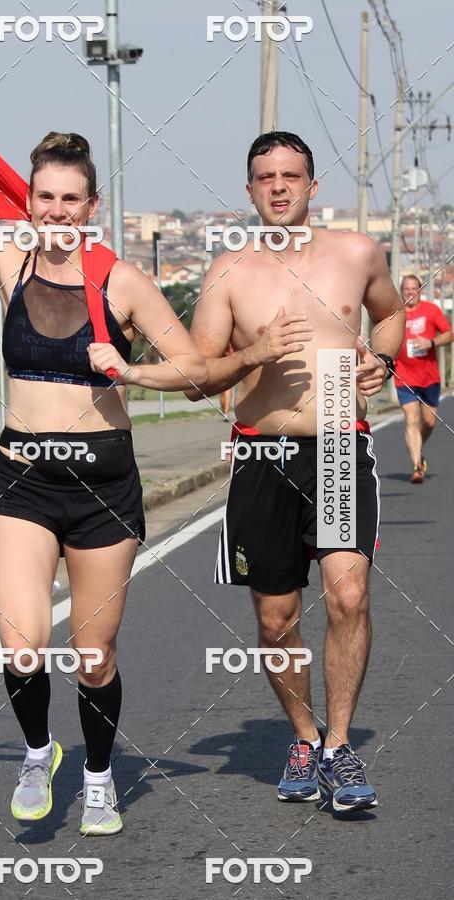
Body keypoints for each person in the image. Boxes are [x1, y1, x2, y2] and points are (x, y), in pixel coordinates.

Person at [0, 57, 207, 834]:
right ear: (27, 202)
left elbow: (195, 370)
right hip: (24, 480)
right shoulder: (9, 264)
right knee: (23, 646)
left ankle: (98, 775)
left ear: (91, 205)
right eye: (45, 196)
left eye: (72, 198)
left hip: (104, 489)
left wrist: (130, 371)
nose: (58, 210)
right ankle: (41, 751)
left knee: (93, 655)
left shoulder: (124, 282)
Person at [186, 132, 405, 812]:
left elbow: (391, 315)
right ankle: (304, 735)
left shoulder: (356, 253)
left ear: (313, 186)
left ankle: (339, 747)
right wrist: (251, 352)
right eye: (265, 177)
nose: (278, 186)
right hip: (260, 453)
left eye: (291, 175)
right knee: (279, 619)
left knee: (347, 597)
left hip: (340, 443)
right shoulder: (228, 272)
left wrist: (384, 362)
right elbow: (197, 376)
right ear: (249, 191)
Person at [393, 274, 453, 483]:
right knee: (411, 419)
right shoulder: (394, 313)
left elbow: (449, 333)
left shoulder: (431, 310)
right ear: (401, 290)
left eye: (414, 288)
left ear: (419, 291)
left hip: (429, 376)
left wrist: (431, 343)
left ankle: (417, 445)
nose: (410, 292)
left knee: (428, 422)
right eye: (406, 288)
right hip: (404, 375)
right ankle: (417, 466)